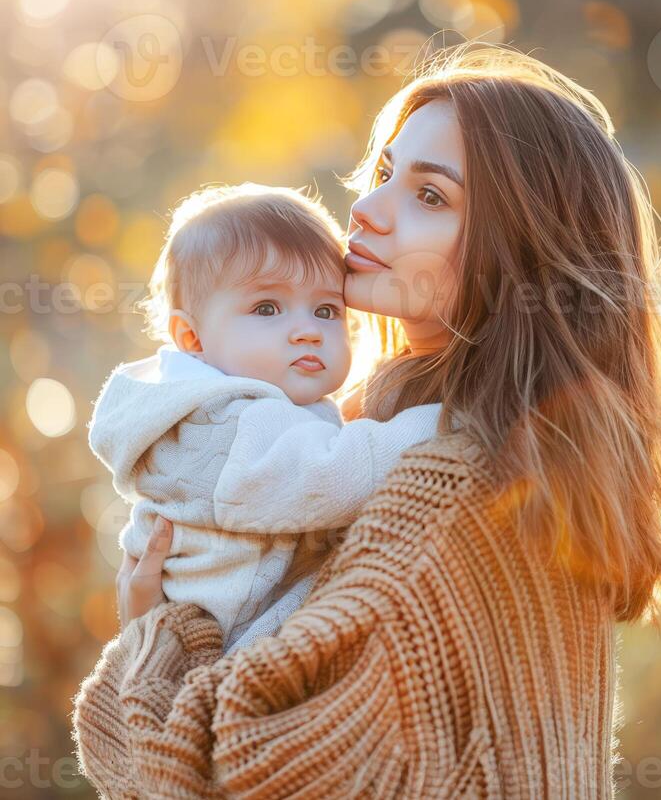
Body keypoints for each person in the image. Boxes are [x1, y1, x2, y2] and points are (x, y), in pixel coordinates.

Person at [72, 41, 661, 798]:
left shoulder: (449, 479)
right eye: (384, 172)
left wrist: (149, 637)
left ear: (518, 254)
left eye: (429, 197)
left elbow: (231, 773)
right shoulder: (485, 449)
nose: (364, 209)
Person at [87, 182, 441, 654]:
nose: (307, 331)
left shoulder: (264, 409)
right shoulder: (219, 427)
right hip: (223, 647)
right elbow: (332, 476)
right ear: (192, 338)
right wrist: (441, 421)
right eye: (267, 308)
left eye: (325, 309)